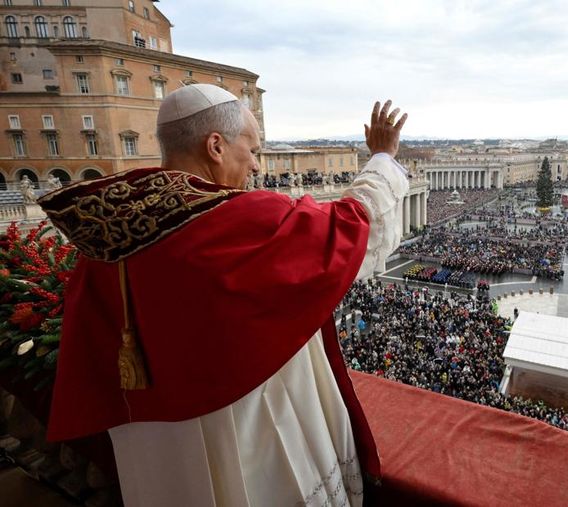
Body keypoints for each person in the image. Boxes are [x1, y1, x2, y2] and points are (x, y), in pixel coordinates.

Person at [37, 84, 411, 506]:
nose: (254, 166)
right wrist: (382, 156)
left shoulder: (105, 239)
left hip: (155, 444)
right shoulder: (238, 220)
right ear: (215, 145)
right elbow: (352, 225)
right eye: (251, 149)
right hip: (248, 426)